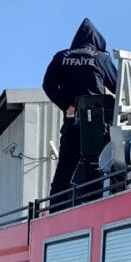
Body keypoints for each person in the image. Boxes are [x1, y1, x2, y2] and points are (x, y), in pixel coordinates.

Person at [42, 18, 119, 207]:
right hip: (97, 123)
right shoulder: (101, 58)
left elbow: (48, 85)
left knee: (66, 167)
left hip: (72, 121)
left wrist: (66, 105)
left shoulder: (61, 56)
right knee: (97, 166)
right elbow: (120, 87)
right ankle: (95, 206)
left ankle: (55, 208)